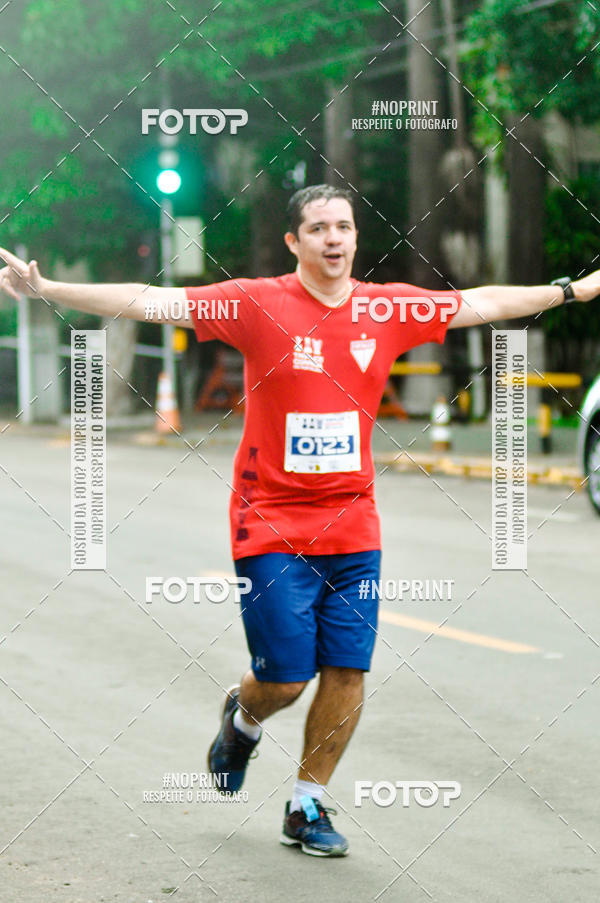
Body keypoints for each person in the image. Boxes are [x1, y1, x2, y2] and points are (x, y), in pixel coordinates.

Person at [1, 184, 599, 857]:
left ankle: (306, 804)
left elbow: (484, 303)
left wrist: (573, 291)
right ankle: (244, 715)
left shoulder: (388, 306)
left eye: (343, 226)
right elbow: (147, 299)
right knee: (286, 675)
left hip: (354, 525)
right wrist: (49, 286)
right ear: (295, 242)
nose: (334, 238)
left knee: (347, 669)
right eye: (318, 228)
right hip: (270, 522)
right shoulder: (256, 303)